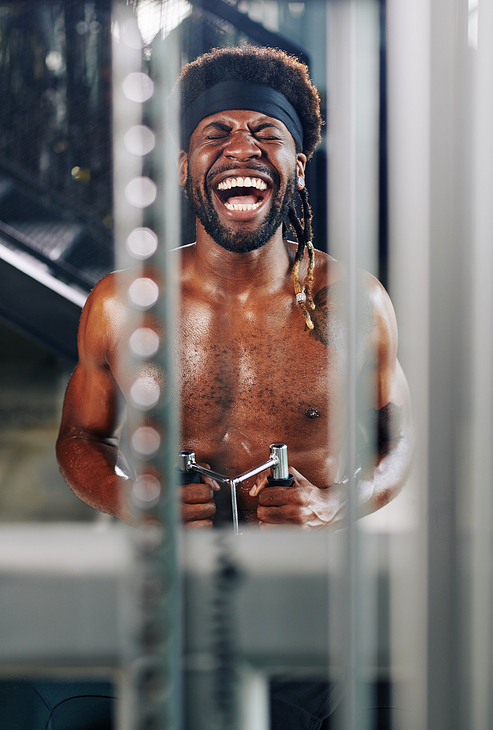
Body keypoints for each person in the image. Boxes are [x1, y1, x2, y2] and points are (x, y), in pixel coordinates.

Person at [56, 45, 414, 730]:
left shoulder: (353, 303)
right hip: (173, 597)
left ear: (297, 170)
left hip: (313, 604)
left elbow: (402, 437)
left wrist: (335, 506)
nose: (241, 147)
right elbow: (80, 435)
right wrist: (130, 497)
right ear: (186, 167)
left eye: (266, 132)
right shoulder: (123, 303)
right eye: (216, 132)